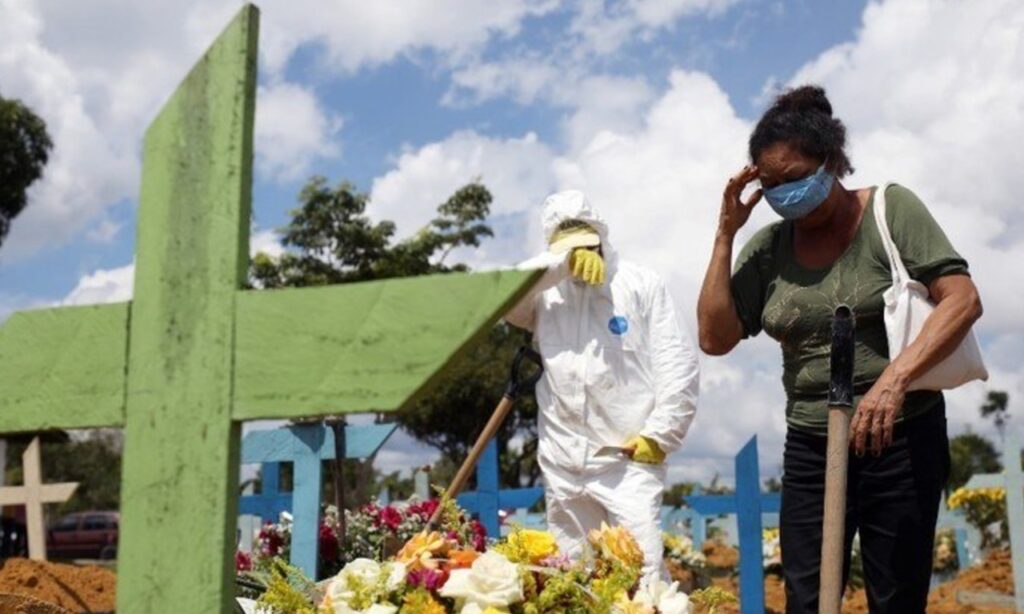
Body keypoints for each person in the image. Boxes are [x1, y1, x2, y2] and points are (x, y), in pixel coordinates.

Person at [697, 85, 983, 613]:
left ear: (831, 161)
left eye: (795, 178)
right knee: (806, 599)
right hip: (811, 446)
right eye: (771, 184)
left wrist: (893, 382)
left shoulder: (889, 210)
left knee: (895, 599)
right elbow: (714, 339)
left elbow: (962, 299)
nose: (784, 194)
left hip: (900, 439)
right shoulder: (770, 248)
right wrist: (725, 235)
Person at [505, 189, 700, 585]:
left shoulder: (639, 284)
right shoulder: (544, 295)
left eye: (585, 238)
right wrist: (560, 265)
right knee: (574, 579)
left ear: (600, 234)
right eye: (567, 243)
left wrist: (660, 435)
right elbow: (506, 294)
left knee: (642, 577)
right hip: (563, 464)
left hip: (625, 460)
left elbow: (678, 364)